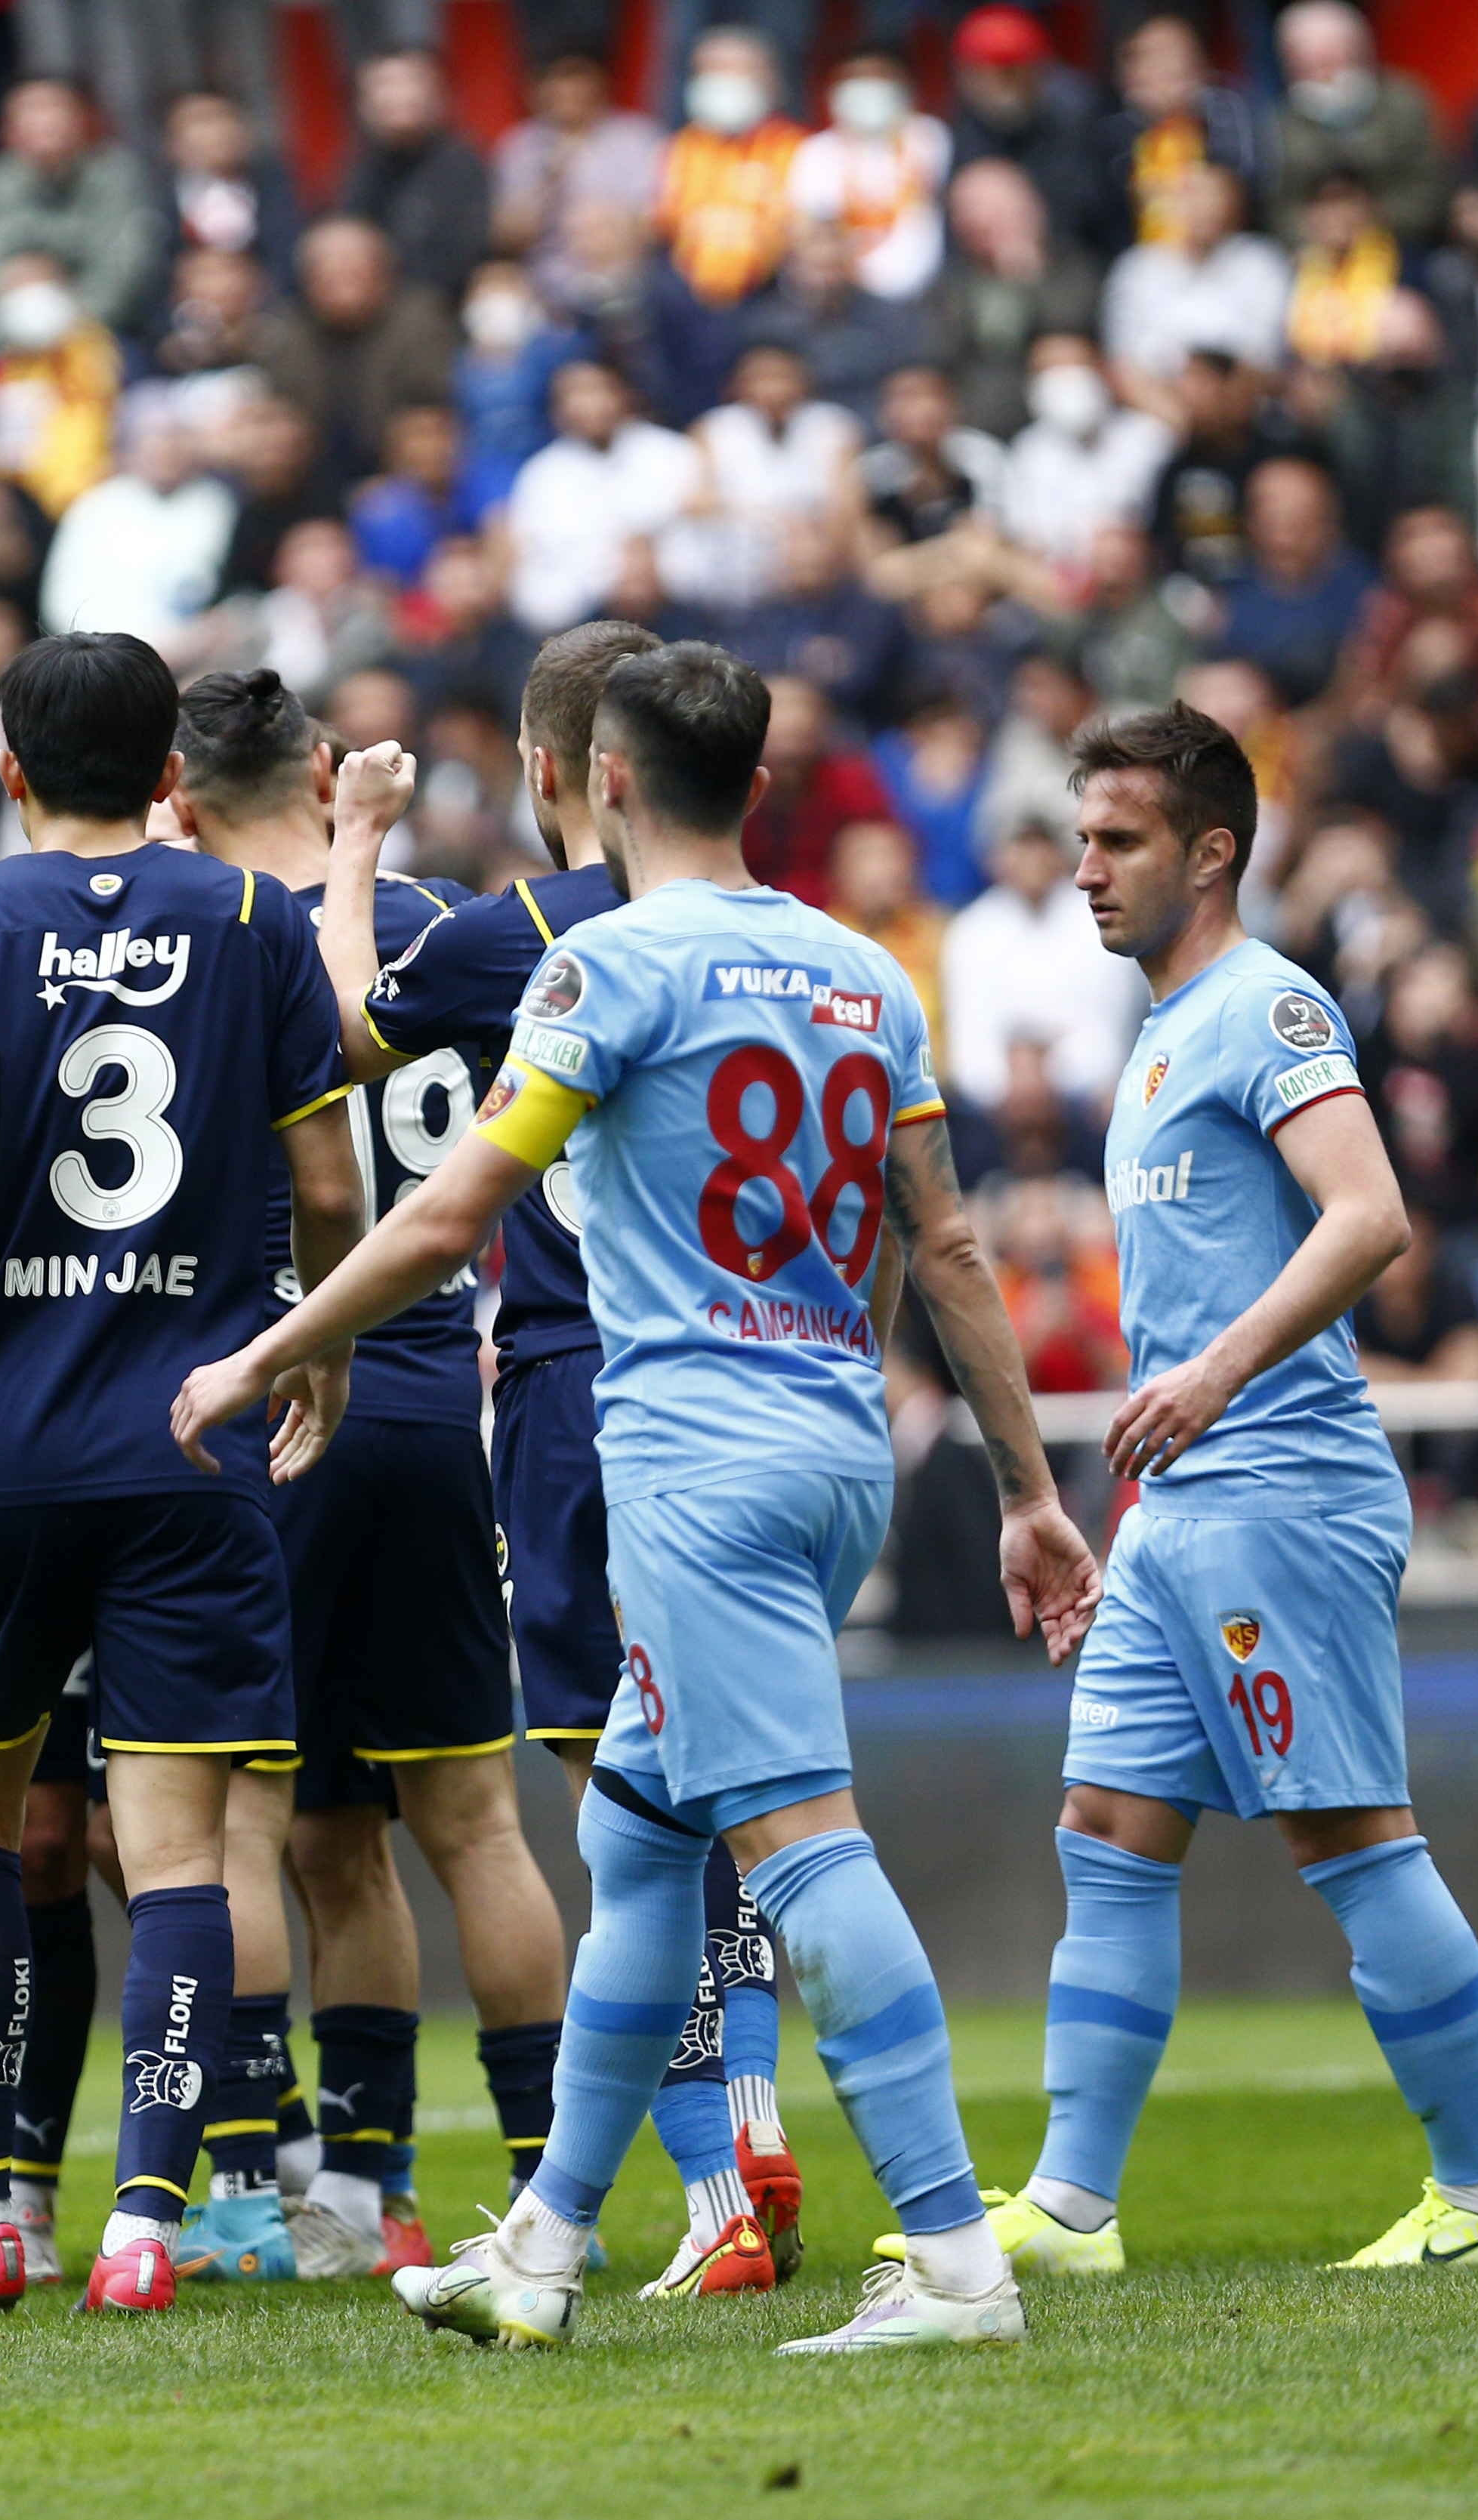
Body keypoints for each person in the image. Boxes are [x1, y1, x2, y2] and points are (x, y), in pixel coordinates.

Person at [178, 640, 1097, 2356]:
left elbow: (449, 1214)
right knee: (633, 1837)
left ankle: (957, 2258)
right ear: (751, 785)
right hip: (831, 1437)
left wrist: (261, 1356)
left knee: (800, 1846)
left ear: (601, 780)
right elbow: (946, 1240)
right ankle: (538, 2244)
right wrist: (1028, 1485)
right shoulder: (864, 974)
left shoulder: (602, 967)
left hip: (683, 1448)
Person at [0, 630, 370, 2315]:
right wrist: (311, 1348)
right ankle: (145, 2229)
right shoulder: (254, 922)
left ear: (9, 773)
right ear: (171, 778)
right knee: (182, 1856)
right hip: (189, 1446)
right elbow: (327, 1186)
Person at [949, 702, 1478, 2285]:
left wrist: (1214, 1376)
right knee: (1106, 1829)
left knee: (1354, 1839)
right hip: (1179, 1513)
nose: (1085, 870)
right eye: (1081, 838)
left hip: (1279, 1486)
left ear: (1212, 852)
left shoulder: (1266, 1009)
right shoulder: (1158, 1029)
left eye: (1119, 840)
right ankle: (1074, 2209)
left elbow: (1370, 1217)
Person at [332, 620, 798, 2275]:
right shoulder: (792, 942)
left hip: (578, 1385)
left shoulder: (516, 931)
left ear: (556, 771)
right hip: (773, 1382)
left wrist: (357, 843)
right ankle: (746, 2123)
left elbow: (341, 1034)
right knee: (750, 1787)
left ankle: (712, 2183)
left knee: (625, 1794)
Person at [171, 670, 567, 2287]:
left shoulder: (192, 932)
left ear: (179, 798)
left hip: (273, 1397)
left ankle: (267, 2198)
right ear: (327, 768)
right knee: (458, 1821)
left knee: (247, 1820)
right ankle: (487, 2182)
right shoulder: (442, 920)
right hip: (431, 1406)